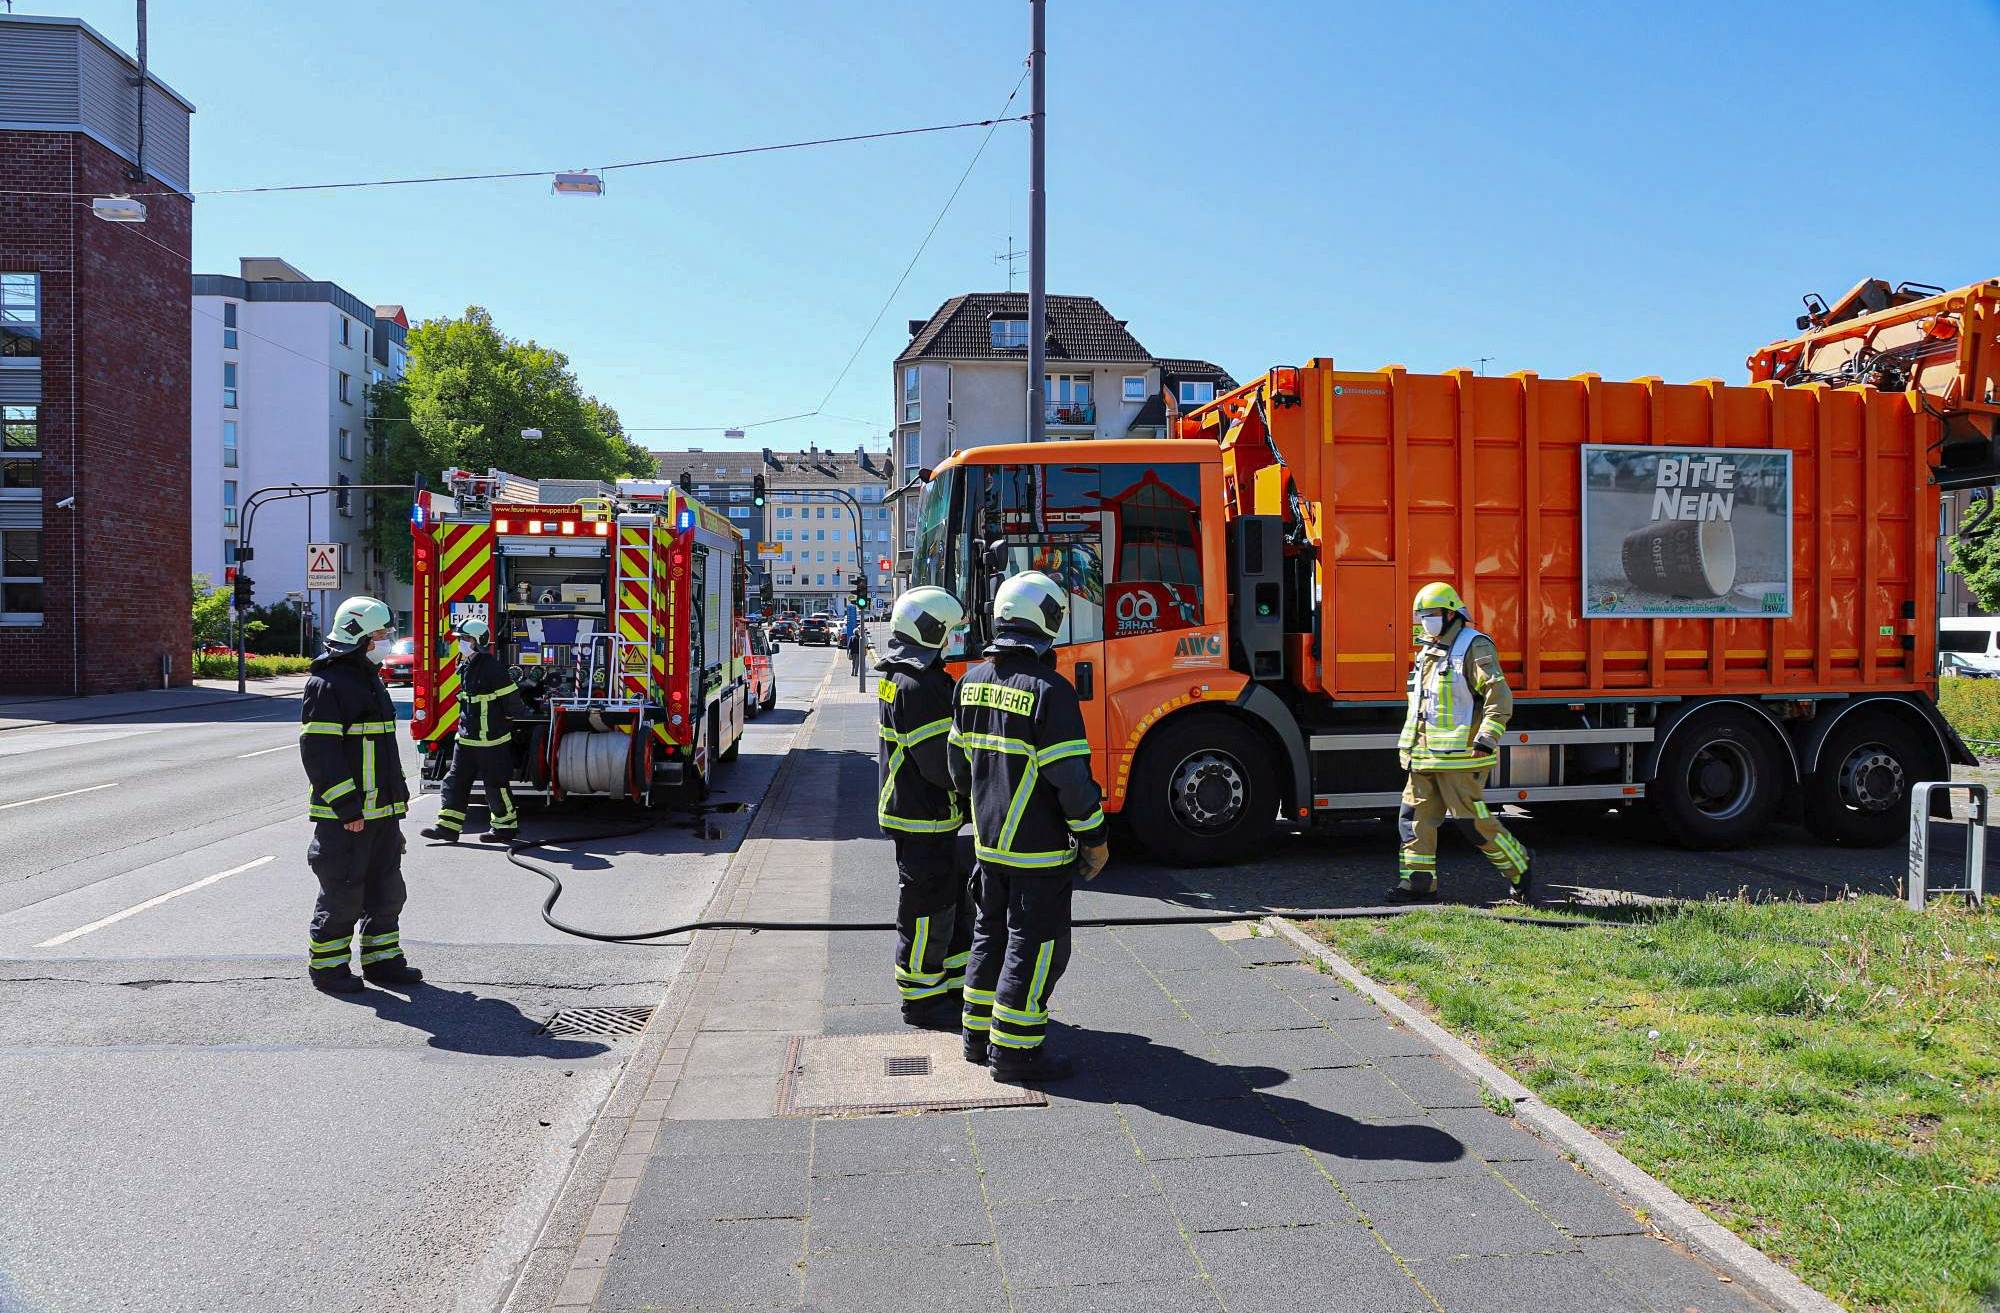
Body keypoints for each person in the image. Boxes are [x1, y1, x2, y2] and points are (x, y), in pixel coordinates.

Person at [949, 571, 1109, 1083]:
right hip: (1038, 850)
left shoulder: (971, 682)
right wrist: (1095, 838)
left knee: (989, 935)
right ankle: (1016, 1052)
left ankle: (977, 1037)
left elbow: (958, 768)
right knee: (1035, 946)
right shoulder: (1050, 691)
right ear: (1048, 620)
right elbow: (1071, 781)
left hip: (988, 844)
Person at [298, 596, 419, 993]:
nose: (386, 641)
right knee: (343, 894)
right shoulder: (328, 684)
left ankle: (382, 961)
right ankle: (329, 969)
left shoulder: (370, 680)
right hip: (347, 818)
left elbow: (381, 752)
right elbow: (321, 754)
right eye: (381, 634)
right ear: (361, 637)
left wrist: (397, 801)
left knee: (387, 892)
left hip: (382, 813)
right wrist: (348, 808)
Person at [1392, 582, 1532, 903]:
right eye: (1421, 615)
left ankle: (1520, 865)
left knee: (1472, 823)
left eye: (1431, 614)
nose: (1425, 621)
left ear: (1451, 614)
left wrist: (1487, 738)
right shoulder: (1428, 650)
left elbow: (1498, 697)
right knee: (1412, 820)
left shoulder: (1474, 646)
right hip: (1423, 756)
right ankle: (1417, 884)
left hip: (1461, 757)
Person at [876, 586, 973, 1031]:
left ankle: (951, 983)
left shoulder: (898, 675)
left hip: (915, 810)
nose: (953, 640)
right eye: (948, 631)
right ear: (931, 631)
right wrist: (981, 786)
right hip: (924, 814)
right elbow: (940, 765)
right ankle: (921, 999)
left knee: (947, 898)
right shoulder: (921, 685)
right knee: (926, 908)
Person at [420, 617, 529, 844]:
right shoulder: (465, 665)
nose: (461, 642)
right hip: (467, 738)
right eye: (461, 638)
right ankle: (447, 827)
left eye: (466, 638)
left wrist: (504, 721)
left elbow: (513, 703)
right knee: (454, 781)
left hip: (492, 740)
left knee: (495, 785)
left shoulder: (492, 668)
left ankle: (505, 828)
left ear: (479, 641)